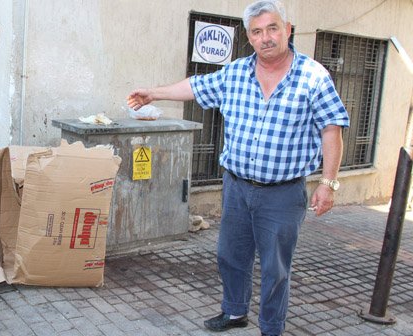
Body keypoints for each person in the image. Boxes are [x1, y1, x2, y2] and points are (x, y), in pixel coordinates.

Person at [126, 1, 349, 335]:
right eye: (257, 32)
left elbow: (332, 129)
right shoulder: (235, 73)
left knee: (275, 267)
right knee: (230, 256)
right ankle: (234, 313)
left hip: (283, 193)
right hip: (237, 187)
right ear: (249, 37)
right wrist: (153, 93)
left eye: (273, 28)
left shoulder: (313, 77)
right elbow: (194, 87)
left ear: (288, 30)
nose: (266, 38)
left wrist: (328, 183)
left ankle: (271, 327)